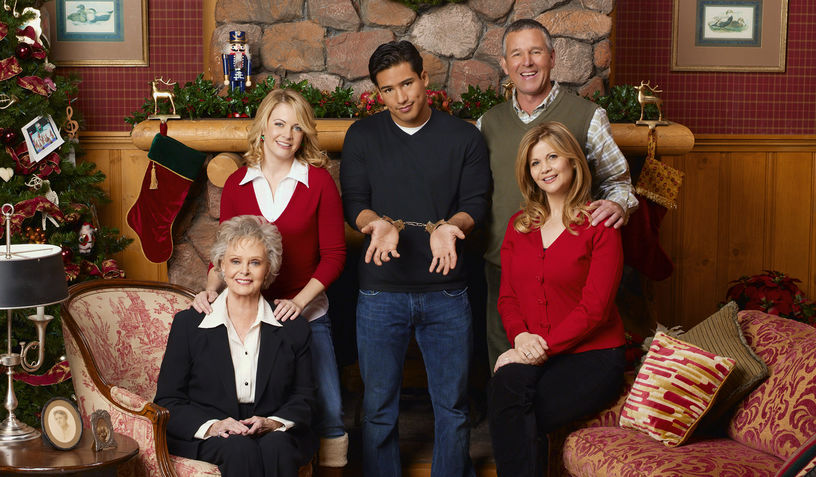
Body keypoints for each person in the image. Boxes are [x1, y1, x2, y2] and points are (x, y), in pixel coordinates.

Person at [340, 40, 490, 477]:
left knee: (453, 406)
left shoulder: (464, 136)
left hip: (447, 292)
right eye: (388, 89)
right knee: (378, 408)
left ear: (425, 79)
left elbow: (475, 202)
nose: (400, 97)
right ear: (378, 93)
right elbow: (355, 202)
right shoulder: (362, 136)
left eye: (407, 83)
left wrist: (452, 227)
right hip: (380, 292)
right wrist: (375, 224)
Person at [191, 88, 348, 469]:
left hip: (306, 317)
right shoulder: (237, 184)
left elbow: (335, 256)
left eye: (297, 127)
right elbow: (224, 253)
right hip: (249, 320)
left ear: (305, 133)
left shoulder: (319, 182)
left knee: (329, 412)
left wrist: (299, 303)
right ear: (262, 128)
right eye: (279, 124)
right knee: (257, 414)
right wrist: (209, 290)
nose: (287, 135)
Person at [478, 18, 637, 372]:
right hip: (505, 271)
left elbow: (619, 182)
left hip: (570, 276)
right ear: (504, 64)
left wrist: (617, 203)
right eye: (516, 54)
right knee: (506, 370)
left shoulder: (588, 117)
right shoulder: (487, 123)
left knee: (561, 372)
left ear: (551, 57)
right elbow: (475, 193)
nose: (527, 62)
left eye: (536, 52)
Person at [487, 122, 626, 477]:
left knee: (516, 413)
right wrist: (520, 337)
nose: (545, 168)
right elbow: (508, 297)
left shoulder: (600, 226)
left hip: (593, 357)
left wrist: (536, 350)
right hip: (536, 350)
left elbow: (595, 310)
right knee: (505, 388)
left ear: (573, 163)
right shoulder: (519, 226)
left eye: (553, 157)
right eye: (535, 162)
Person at [156, 215, 315, 477]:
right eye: (235, 261)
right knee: (239, 448)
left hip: (273, 428)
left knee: (277, 446)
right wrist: (213, 426)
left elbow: (304, 397)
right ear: (221, 265)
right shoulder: (188, 324)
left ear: (269, 268)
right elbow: (168, 399)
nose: (244, 271)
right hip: (212, 430)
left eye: (255, 262)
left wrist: (273, 423)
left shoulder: (293, 327)